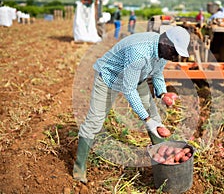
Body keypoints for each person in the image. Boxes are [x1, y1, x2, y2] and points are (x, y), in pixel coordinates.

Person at [73, 26, 191, 183]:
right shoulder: (139, 53)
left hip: (138, 77)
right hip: (109, 78)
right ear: (166, 43)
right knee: (95, 121)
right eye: (175, 53)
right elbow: (128, 89)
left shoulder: (163, 51)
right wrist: (146, 119)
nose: (175, 57)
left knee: (155, 116)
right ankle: (79, 168)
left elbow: (156, 73)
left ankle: (165, 159)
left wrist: (163, 94)